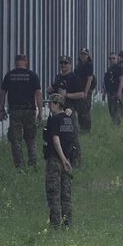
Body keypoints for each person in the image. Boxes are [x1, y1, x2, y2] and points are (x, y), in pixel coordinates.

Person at [42, 92, 79, 227]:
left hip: (55, 160)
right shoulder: (68, 119)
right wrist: (67, 160)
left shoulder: (54, 120)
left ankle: (55, 224)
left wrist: (62, 159)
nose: (49, 106)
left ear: (58, 104)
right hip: (68, 160)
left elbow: (56, 140)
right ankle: (67, 222)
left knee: (54, 192)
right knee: (66, 193)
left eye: (51, 103)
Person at [0, 55, 43, 169]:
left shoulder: (9, 75)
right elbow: (38, 94)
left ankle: (20, 166)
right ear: (26, 62)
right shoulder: (33, 76)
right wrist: (40, 111)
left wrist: (2, 109)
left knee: (16, 139)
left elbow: (3, 93)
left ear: (16, 62)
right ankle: (33, 163)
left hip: (15, 111)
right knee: (31, 138)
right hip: (29, 110)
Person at [51, 57, 85, 167]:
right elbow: (55, 89)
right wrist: (51, 89)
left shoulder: (74, 78)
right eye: (61, 63)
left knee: (72, 134)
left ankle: (76, 160)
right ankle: (62, 158)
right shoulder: (58, 77)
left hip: (69, 109)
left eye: (66, 63)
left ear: (70, 65)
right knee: (58, 135)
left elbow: (81, 94)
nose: (63, 65)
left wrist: (67, 95)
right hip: (57, 110)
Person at [72, 49, 97, 133]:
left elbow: (89, 79)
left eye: (85, 54)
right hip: (79, 90)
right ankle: (82, 127)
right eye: (82, 54)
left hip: (85, 90)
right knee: (80, 109)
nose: (83, 55)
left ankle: (86, 129)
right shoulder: (79, 64)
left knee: (85, 109)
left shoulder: (89, 65)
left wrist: (86, 92)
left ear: (88, 55)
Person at [104, 52, 123, 127]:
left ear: (117, 59)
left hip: (116, 91)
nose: (111, 60)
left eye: (113, 58)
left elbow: (122, 80)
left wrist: (119, 92)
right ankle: (115, 123)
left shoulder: (119, 68)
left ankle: (117, 125)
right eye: (110, 58)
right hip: (110, 92)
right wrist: (104, 92)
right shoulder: (109, 69)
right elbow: (106, 81)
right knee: (111, 109)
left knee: (116, 109)